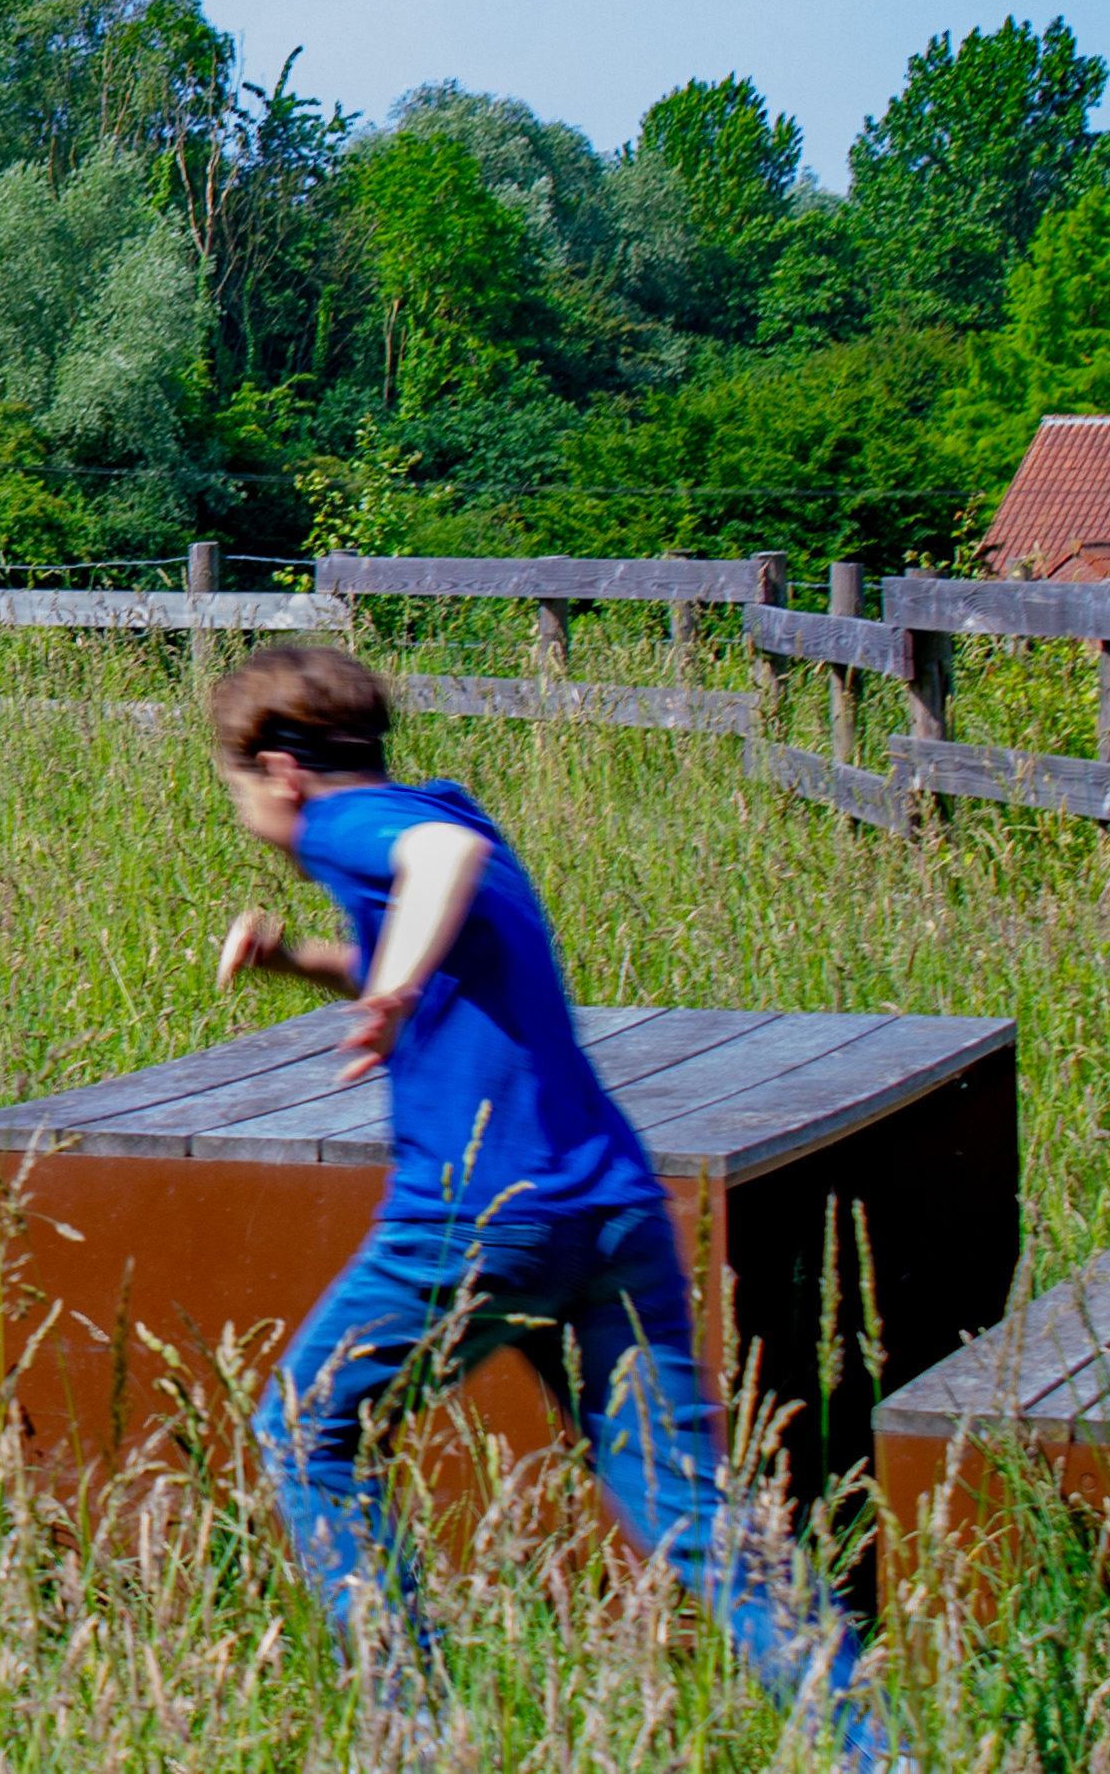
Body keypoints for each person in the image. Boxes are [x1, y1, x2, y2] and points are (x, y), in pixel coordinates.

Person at [206, 641, 893, 1765]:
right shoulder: (423, 808)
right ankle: (875, 1750)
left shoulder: (366, 827)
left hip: (481, 1213)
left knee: (306, 1427)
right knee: (686, 1505)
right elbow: (443, 896)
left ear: (280, 772)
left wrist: (390, 992)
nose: (246, 814)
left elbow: (442, 860)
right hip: (611, 1209)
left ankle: (416, 1739)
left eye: (235, 791)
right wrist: (312, 964)